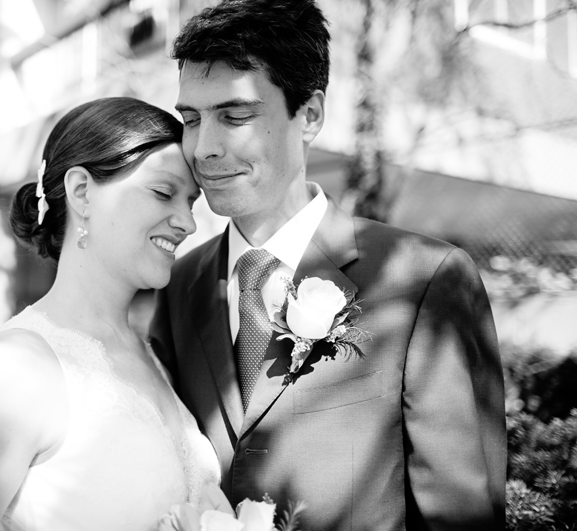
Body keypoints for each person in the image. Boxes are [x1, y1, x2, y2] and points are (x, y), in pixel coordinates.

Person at [149, 1, 507, 529]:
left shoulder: (424, 279)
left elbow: (462, 514)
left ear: (310, 114)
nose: (203, 148)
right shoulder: (176, 285)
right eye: (191, 119)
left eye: (235, 116)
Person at [0, 97, 220, 531]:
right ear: (82, 192)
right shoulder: (14, 370)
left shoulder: (156, 357)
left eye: (191, 200)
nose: (188, 222)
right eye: (164, 193)